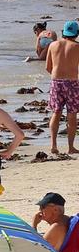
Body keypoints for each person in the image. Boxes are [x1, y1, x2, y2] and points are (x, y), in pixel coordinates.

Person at [46, 21, 79, 155]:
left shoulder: (53, 45)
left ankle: (53, 145)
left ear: (63, 32)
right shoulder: (77, 47)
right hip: (72, 83)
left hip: (56, 82)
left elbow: (48, 67)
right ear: (76, 34)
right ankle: (71, 147)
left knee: (56, 113)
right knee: (72, 115)